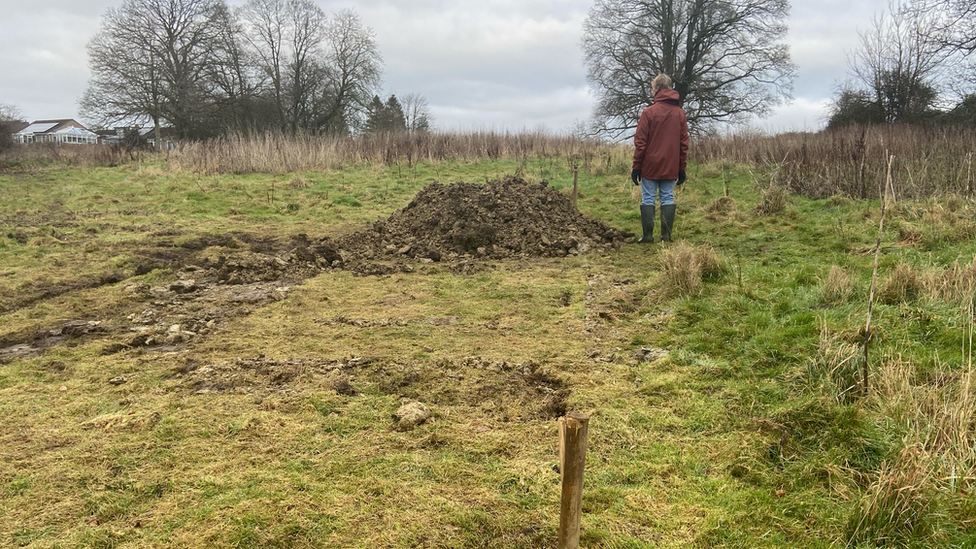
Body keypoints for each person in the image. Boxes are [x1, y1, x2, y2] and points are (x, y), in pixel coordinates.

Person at [631, 74, 689, 243]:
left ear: (655, 89)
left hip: (649, 164)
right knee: (668, 197)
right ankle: (666, 236)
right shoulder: (680, 114)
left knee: (648, 197)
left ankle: (648, 236)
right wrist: (681, 168)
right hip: (671, 164)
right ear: (670, 89)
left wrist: (636, 166)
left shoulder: (648, 113)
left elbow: (640, 143)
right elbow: (683, 143)